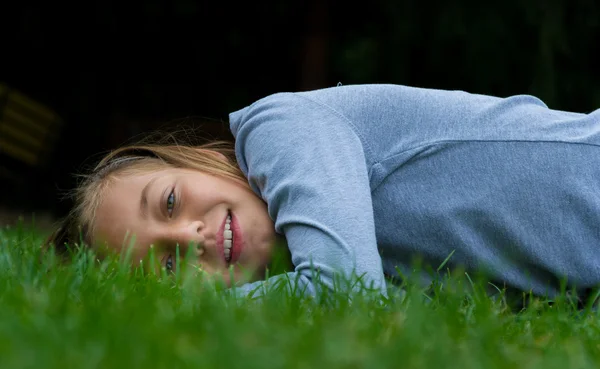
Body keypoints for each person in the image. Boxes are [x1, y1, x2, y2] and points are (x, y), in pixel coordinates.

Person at [48, 83, 600, 300]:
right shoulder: (339, 253)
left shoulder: (281, 124)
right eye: (167, 266)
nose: (188, 236)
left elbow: (343, 291)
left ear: (206, 159)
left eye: (169, 202)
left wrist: (175, 313)